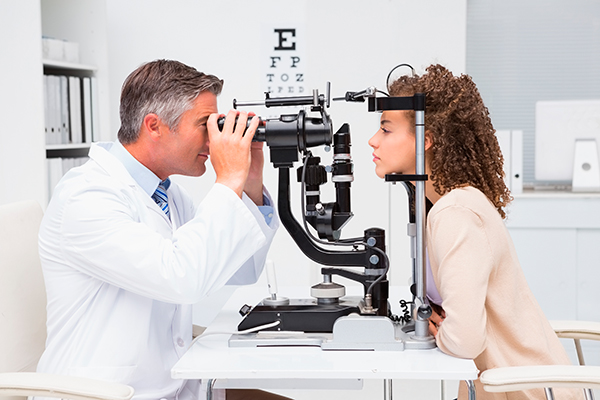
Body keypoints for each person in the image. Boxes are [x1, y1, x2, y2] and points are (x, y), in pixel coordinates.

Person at [37, 59, 289, 400]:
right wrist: (229, 178)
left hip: (172, 386)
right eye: (204, 124)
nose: (214, 140)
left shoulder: (167, 195)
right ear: (154, 126)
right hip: (104, 393)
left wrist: (250, 181)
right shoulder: (87, 197)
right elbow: (182, 278)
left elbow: (239, 269)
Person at [368, 64, 578, 400]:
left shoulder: (455, 213)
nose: (373, 140)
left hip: (524, 393)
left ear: (425, 140)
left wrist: (443, 331)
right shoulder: (445, 204)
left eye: (386, 130)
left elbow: (464, 340)